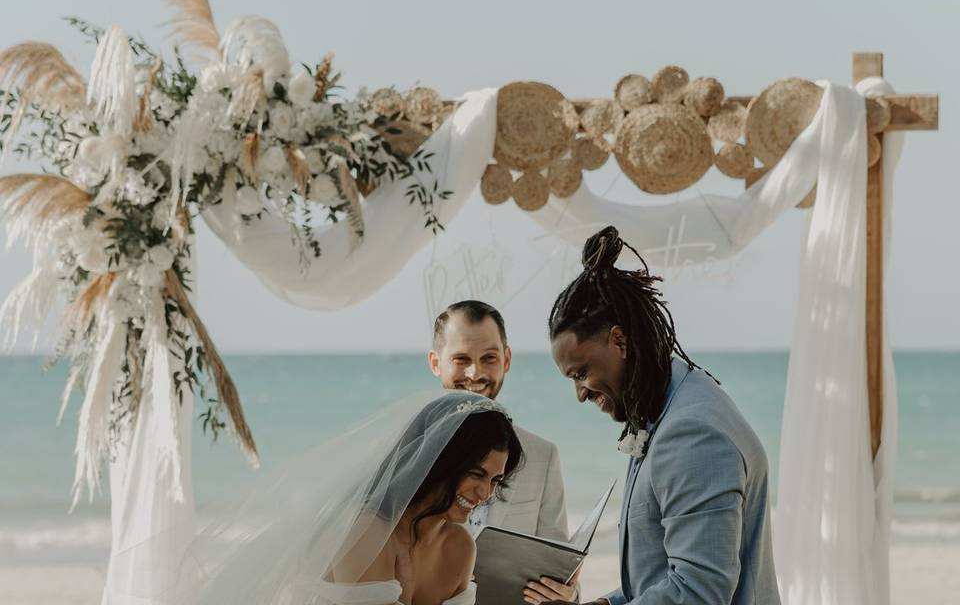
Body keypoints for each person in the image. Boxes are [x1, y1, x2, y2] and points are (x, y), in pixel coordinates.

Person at [104, 391, 523, 605]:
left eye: (494, 481)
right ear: (439, 462)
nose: (484, 494)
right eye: (475, 474)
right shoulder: (366, 530)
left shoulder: (459, 546)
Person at [544, 226, 780, 605]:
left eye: (581, 372)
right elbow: (659, 574)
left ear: (619, 341)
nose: (580, 393)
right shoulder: (672, 403)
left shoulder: (691, 434)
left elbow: (698, 591)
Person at [429, 301, 579, 604]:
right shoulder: (412, 450)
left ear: (506, 359)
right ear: (436, 363)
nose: (475, 373)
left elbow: (559, 570)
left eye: (489, 358)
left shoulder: (543, 456)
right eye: (461, 359)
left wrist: (568, 593)